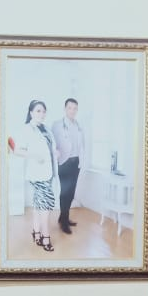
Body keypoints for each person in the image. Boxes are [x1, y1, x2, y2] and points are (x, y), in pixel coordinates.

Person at [11, 99, 57, 252]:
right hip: (37, 174)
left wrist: (55, 153)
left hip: (49, 172)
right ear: (31, 112)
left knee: (39, 205)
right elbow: (16, 150)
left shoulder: (46, 129)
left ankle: (36, 233)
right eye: (38, 111)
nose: (41, 114)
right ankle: (45, 237)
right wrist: (35, 155)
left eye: (43, 111)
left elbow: (50, 148)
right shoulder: (27, 129)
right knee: (46, 206)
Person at [51, 98, 85, 234]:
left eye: (75, 108)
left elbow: (81, 144)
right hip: (64, 162)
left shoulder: (78, 125)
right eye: (70, 108)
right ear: (65, 109)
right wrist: (55, 153)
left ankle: (63, 217)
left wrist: (81, 160)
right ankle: (64, 222)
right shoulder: (57, 124)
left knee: (71, 193)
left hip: (76, 163)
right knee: (65, 192)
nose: (72, 111)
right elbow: (52, 143)